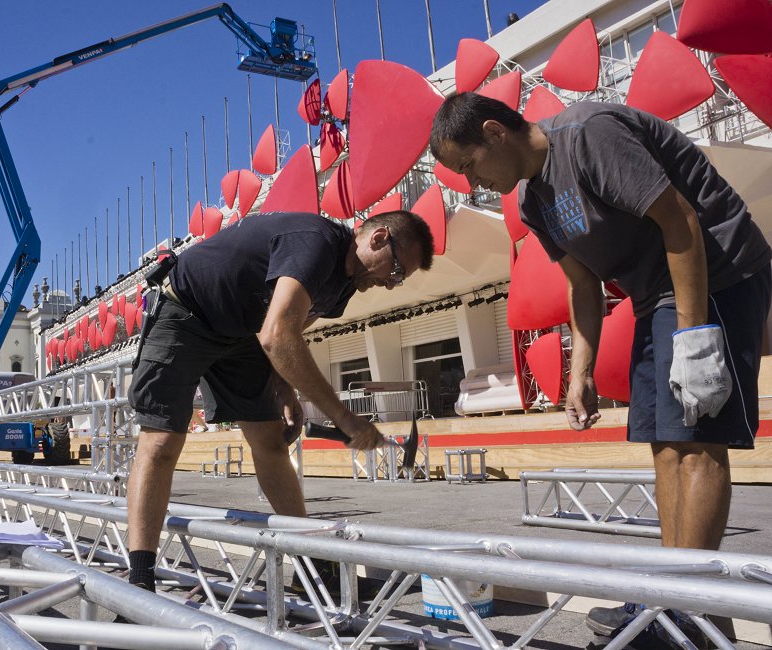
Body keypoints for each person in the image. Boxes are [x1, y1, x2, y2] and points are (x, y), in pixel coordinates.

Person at [430, 93, 771, 645]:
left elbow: (680, 220)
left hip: (718, 271)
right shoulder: (533, 203)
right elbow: (582, 286)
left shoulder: (589, 136)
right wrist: (579, 373)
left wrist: (695, 337)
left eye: (468, 166)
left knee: (696, 442)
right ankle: (683, 605)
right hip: (651, 297)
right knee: (663, 443)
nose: (474, 183)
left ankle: (686, 612)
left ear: (494, 131)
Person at [125, 210, 434, 591]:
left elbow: (284, 332)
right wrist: (346, 419)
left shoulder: (345, 287)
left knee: (271, 443)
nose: (392, 285)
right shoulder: (315, 242)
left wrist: (284, 388)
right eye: (398, 271)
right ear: (379, 238)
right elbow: (277, 335)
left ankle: (309, 571)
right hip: (186, 311)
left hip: (242, 336)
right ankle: (139, 583)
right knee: (161, 442)